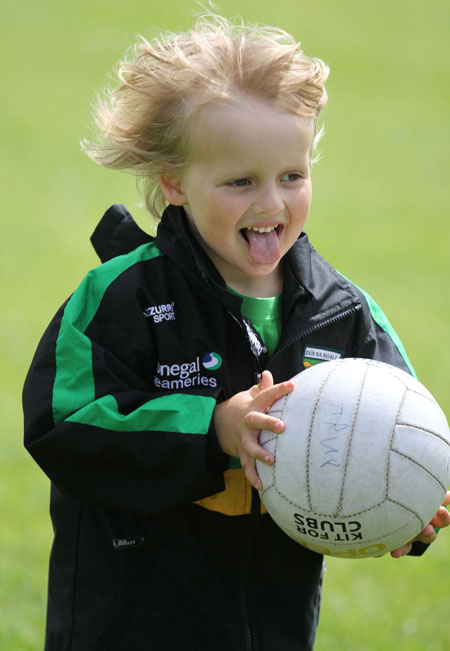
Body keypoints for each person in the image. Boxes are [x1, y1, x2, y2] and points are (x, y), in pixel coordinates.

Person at [23, 13, 450, 651]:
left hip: (273, 626)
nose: (270, 203)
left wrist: (408, 501)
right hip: (129, 623)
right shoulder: (120, 299)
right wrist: (214, 428)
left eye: (291, 176)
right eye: (240, 181)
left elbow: (401, 427)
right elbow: (65, 426)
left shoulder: (344, 314)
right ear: (175, 184)